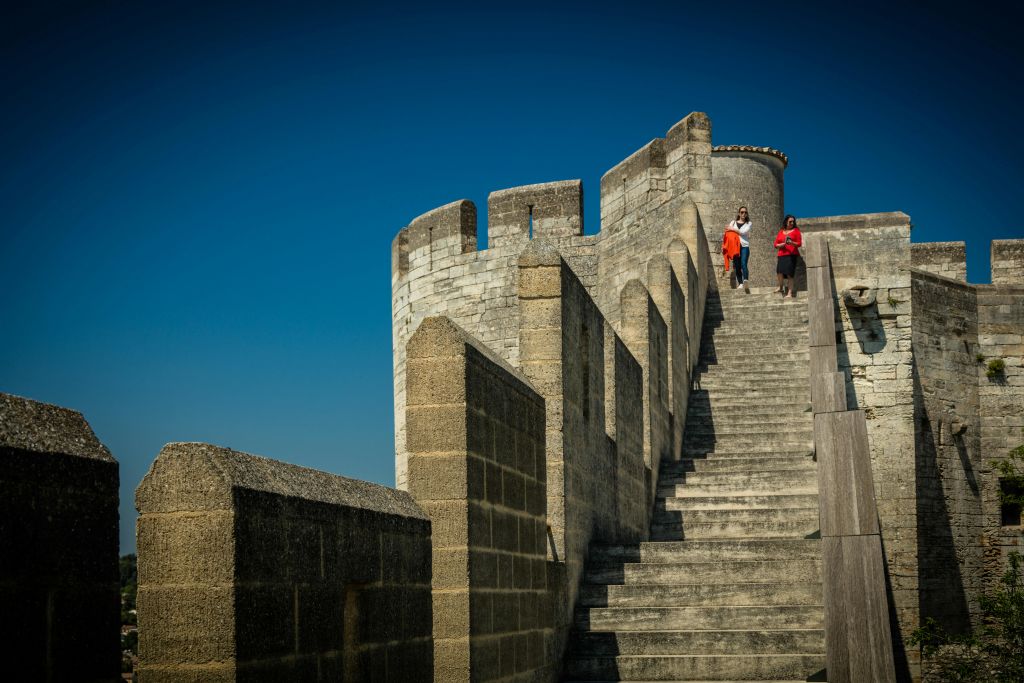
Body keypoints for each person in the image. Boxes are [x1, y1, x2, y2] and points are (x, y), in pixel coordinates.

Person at [774, 214, 802, 298]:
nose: (792, 223)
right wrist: (782, 244)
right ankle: (780, 287)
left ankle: (789, 293)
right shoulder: (781, 231)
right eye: (790, 221)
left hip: (791, 255)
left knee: (790, 274)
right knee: (779, 272)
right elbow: (775, 244)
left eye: (793, 221)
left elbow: (799, 243)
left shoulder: (796, 231)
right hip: (781, 254)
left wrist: (792, 243)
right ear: (786, 222)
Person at [724, 206, 752, 292]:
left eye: (745, 212)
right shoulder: (733, 222)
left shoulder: (749, 223)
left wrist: (732, 228)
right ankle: (740, 283)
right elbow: (727, 231)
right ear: (739, 213)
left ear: (747, 214)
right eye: (742, 212)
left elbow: (743, 232)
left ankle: (745, 280)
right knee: (737, 266)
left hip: (744, 246)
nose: (743, 214)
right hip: (734, 247)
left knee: (743, 263)